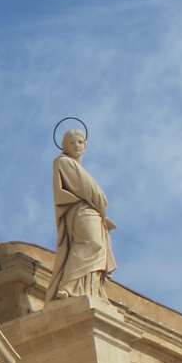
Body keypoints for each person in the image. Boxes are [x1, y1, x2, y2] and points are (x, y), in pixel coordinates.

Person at [45, 127, 117, 303]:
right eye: (71, 142)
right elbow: (89, 190)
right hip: (81, 211)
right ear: (64, 146)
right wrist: (102, 204)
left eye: (80, 141)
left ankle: (90, 290)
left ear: (85, 145)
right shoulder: (63, 162)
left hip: (92, 211)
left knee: (96, 248)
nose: (76, 145)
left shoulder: (76, 166)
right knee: (91, 244)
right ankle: (68, 285)